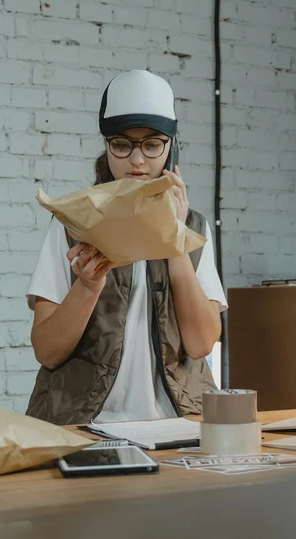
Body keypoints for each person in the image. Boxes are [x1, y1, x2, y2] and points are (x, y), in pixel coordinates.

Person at [25, 70, 226, 425]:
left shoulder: (194, 227)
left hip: (176, 422)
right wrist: (87, 287)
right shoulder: (71, 224)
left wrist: (173, 239)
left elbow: (201, 344)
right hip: (84, 424)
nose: (137, 160)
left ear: (171, 147)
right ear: (107, 146)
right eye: (122, 144)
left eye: (152, 145)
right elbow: (47, 351)